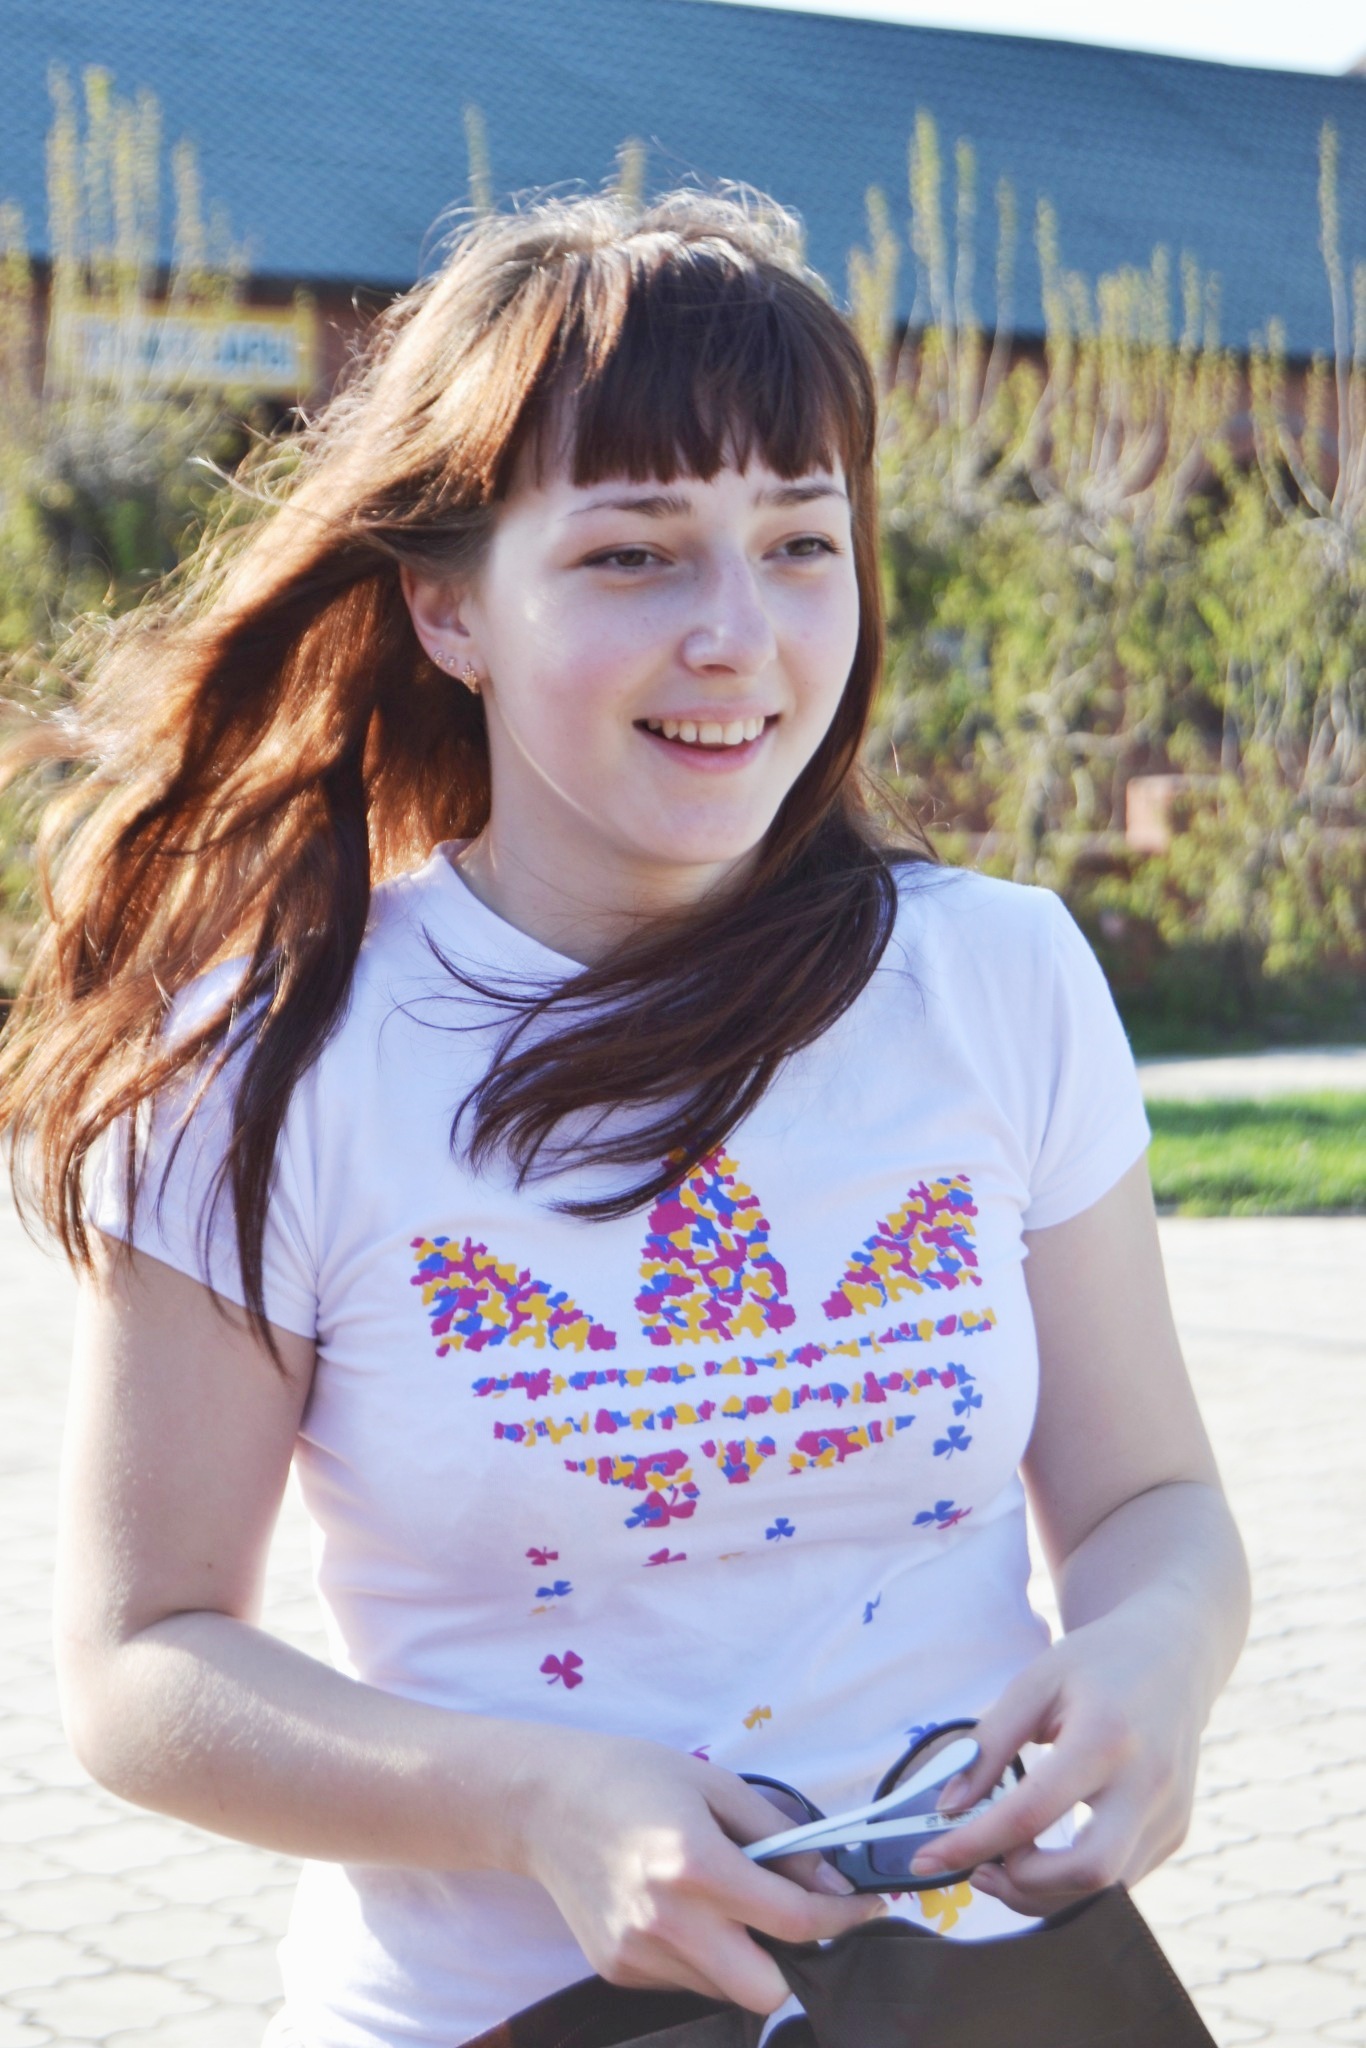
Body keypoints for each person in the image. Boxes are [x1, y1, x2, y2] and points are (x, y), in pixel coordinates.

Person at [0, 188, 1250, 2048]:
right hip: (501, 2017)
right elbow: (142, 1666)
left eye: (799, 542)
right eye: (633, 555)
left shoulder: (998, 977)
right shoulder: (266, 1062)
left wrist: (1152, 1662)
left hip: (991, 1996)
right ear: (450, 608)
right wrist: (540, 1804)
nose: (737, 635)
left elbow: (1156, 1504)